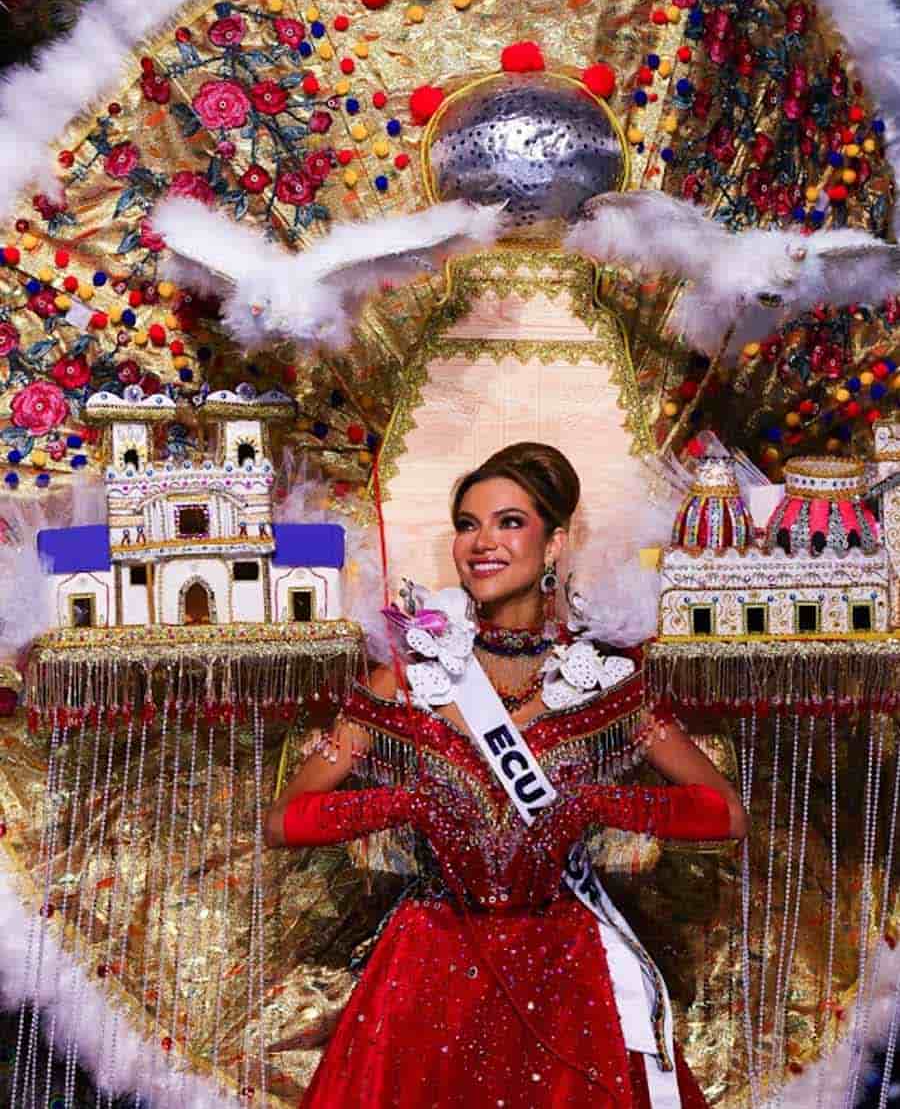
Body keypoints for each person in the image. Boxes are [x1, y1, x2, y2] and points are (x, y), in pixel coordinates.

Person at [264, 442, 748, 1108]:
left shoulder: (605, 683)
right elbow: (285, 819)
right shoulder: (407, 679)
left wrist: (597, 801)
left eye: (508, 521)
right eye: (468, 523)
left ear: (554, 544)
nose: (481, 541)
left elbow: (724, 811)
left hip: (563, 971)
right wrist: (404, 802)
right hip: (427, 970)